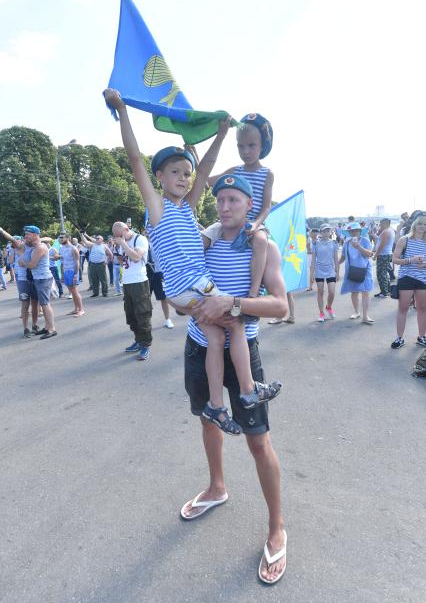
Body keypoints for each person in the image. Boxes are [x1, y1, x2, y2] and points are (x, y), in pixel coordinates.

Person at [104, 89, 280, 435]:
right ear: (159, 179)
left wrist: (221, 134)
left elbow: (207, 169)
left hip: (184, 288)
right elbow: (136, 159)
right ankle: (248, 391)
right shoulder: (158, 208)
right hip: (190, 284)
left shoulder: (187, 208)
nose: (184, 178)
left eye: (186, 173)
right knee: (238, 324)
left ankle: (216, 405)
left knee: (215, 337)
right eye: (175, 173)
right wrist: (123, 110)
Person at [180, 177, 288, 585]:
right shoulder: (202, 242)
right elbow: (178, 274)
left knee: (258, 439)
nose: (225, 207)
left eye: (234, 200)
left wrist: (235, 302)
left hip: (244, 354)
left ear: (249, 204)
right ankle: (216, 487)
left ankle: (277, 525)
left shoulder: (263, 245)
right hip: (199, 347)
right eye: (220, 199)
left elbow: (279, 304)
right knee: (209, 420)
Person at [205, 113, 274, 300]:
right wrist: (195, 155)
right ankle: (192, 286)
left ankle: (253, 291)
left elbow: (266, 206)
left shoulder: (267, 174)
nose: (246, 151)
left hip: (253, 224)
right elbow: (206, 181)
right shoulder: (235, 171)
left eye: (251, 146)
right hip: (227, 222)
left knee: (260, 241)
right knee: (201, 240)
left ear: (262, 146)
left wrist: (256, 224)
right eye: (241, 146)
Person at [111, 221, 152, 361]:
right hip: (127, 282)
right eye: (115, 237)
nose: (118, 238)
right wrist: (118, 249)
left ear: (127, 229)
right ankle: (138, 340)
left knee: (143, 314)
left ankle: (145, 344)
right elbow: (122, 261)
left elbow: (136, 257)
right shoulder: (122, 243)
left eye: (119, 235)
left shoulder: (140, 239)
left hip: (139, 282)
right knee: (131, 315)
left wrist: (123, 244)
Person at [390, 213, 426, 349]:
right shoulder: (404, 240)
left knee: (422, 308)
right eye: (420, 223)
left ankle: (422, 336)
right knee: (403, 308)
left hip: (423, 279)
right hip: (406, 278)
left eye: (425, 224)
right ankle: (399, 338)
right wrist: (410, 260)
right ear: (414, 224)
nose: (422, 226)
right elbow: (394, 259)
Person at [18, 225, 57, 339]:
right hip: (39, 279)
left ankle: (51, 329)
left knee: (45, 304)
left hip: (43, 279)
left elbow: (32, 265)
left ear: (35, 235)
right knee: (44, 304)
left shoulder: (40, 247)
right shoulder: (35, 247)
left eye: (28, 234)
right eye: (25, 234)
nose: (26, 236)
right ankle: (47, 327)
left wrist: (22, 263)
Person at [339, 222, 374, 324]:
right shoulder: (346, 243)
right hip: (352, 270)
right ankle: (356, 312)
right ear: (349, 232)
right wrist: (336, 265)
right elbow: (343, 257)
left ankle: (365, 315)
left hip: (364, 270)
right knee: (354, 291)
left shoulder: (365, 241)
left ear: (360, 231)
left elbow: (370, 254)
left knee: (365, 292)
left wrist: (359, 247)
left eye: (356, 230)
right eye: (351, 231)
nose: (354, 232)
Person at [310, 223, 340, 321]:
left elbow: (336, 258)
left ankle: (329, 307)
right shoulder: (315, 244)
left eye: (328, 230)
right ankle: (321, 313)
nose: (326, 232)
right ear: (321, 232)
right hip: (319, 270)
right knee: (320, 291)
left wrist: (337, 272)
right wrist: (312, 274)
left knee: (332, 292)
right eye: (324, 231)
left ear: (330, 232)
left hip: (330, 270)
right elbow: (313, 260)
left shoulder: (334, 243)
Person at [146, 243, 174, 328]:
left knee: (163, 297)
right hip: (146, 274)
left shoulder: (159, 243)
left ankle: (168, 319)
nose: (147, 231)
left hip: (159, 273)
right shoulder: (142, 243)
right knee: (146, 299)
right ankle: (146, 322)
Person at [58, 233, 84, 316]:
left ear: (68, 238)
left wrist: (76, 275)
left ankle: (81, 310)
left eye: (62, 237)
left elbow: (77, 262)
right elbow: (62, 262)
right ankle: (76, 309)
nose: (60, 239)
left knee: (75, 291)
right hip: (66, 271)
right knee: (71, 292)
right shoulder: (61, 248)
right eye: (59, 237)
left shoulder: (73, 248)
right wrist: (62, 275)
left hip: (72, 271)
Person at [79, 233, 113, 297]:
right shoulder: (92, 245)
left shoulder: (104, 246)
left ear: (101, 240)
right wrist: (81, 234)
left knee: (103, 279)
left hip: (101, 265)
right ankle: (95, 293)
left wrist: (107, 262)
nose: (96, 239)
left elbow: (110, 254)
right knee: (94, 280)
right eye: (96, 238)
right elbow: (84, 241)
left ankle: (105, 292)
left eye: (98, 238)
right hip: (92, 265)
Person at [372, 218, 395, 298]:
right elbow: (380, 240)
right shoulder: (390, 230)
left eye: (381, 224)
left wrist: (375, 255)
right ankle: (387, 291)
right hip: (386, 254)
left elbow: (382, 245)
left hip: (383, 255)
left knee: (381, 274)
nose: (380, 225)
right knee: (384, 273)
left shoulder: (386, 231)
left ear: (385, 223)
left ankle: (384, 292)